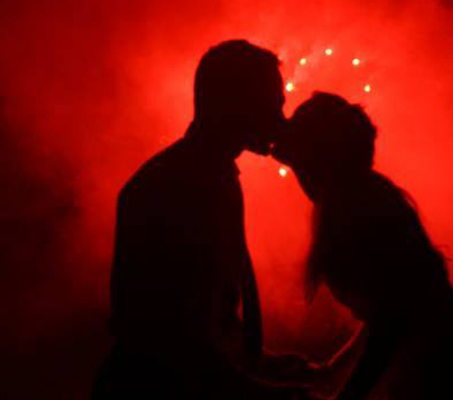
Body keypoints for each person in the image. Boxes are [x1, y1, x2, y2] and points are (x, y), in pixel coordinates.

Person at [273, 92, 453, 400]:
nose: (299, 174)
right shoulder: (358, 195)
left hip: (452, 379)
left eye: (303, 163)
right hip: (450, 371)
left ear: (321, 159)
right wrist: (334, 368)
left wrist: (345, 396)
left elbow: (391, 321)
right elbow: (386, 308)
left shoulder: (359, 208)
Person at [93, 40, 304, 399]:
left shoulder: (207, 175)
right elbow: (174, 342)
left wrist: (263, 364)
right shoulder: (184, 187)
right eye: (273, 104)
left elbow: (206, 322)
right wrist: (272, 394)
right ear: (238, 103)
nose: (280, 120)